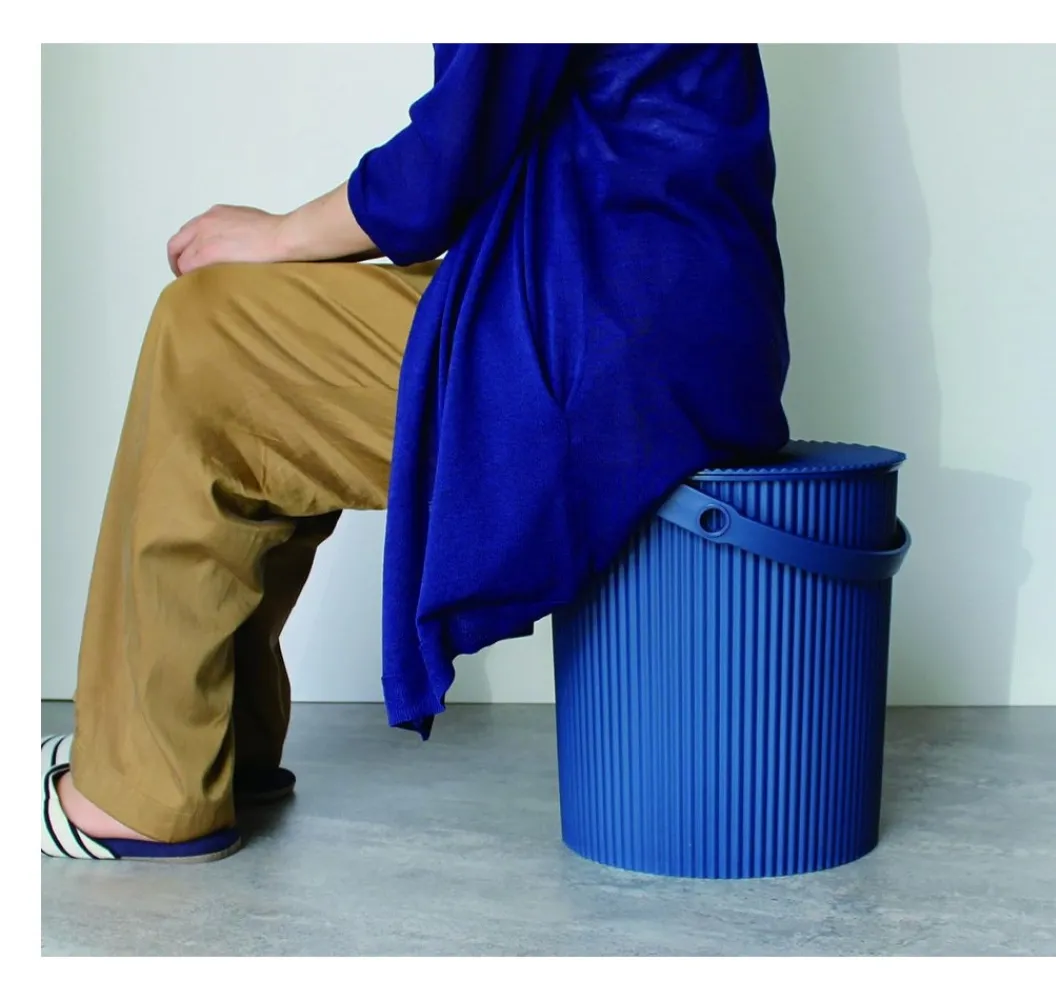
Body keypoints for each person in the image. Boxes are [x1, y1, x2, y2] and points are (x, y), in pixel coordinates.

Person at [41, 43, 791, 862]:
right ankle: (213, 746)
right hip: (670, 323)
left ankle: (140, 790)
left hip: (607, 342)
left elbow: (450, 158)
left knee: (210, 331)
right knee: (259, 330)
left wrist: (283, 234)